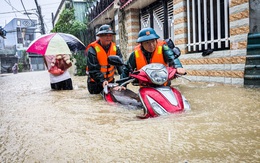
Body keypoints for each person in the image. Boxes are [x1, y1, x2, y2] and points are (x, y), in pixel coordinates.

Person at [122, 27, 186, 80]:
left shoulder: (164, 48)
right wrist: (121, 85)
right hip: (145, 85)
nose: (151, 45)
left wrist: (178, 67)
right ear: (141, 44)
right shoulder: (135, 54)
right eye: (147, 42)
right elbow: (127, 68)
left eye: (153, 41)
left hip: (163, 82)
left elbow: (172, 57)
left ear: (156, 41)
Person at [86, 24, 124, 94]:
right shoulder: (92, 50)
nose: (108, 37)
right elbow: (93, 69)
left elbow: (121, 65)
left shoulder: (115, 48)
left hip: (110, 82)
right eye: (105, 35)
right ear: (100, 36)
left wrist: (123, 81)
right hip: (95, 84)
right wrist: (102, 81)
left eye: (110, 35)